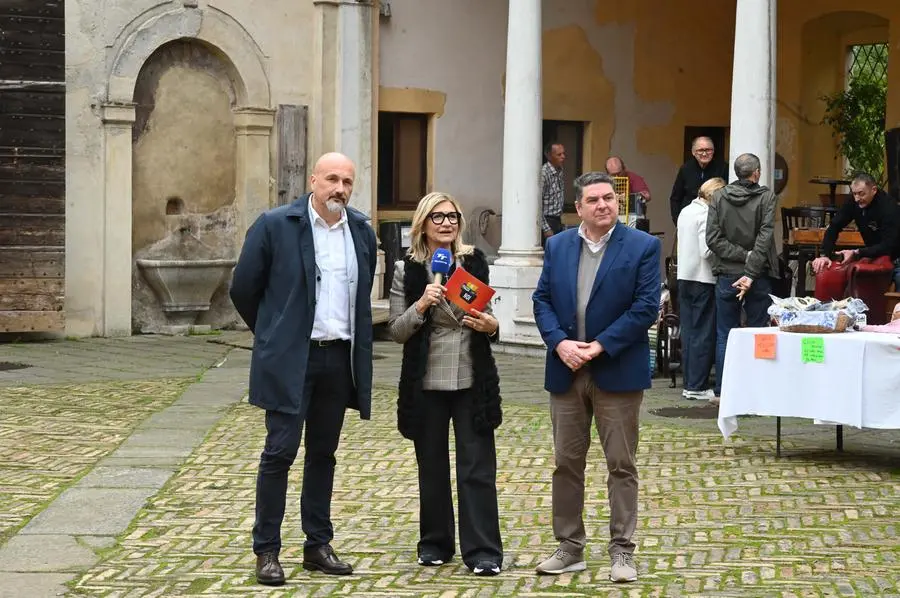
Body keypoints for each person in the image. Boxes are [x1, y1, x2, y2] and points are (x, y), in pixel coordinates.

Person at [230, 152, 378, 586]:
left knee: (323, 454)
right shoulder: (276, 225)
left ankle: (317, 544)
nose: (340, 189)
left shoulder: (361, 232)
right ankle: (267, 550)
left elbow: (362, 294)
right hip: (293, 358)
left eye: (347, 182)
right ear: (312, 180)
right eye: (332, 179)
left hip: (339, 358)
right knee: (279, 452)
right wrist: (274, 335)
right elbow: (244, 288)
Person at [532, 172, 661, 583]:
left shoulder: (643, 246)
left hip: (616, 370)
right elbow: (542, 300)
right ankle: (570, 547)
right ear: (579, 206)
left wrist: (600, 345)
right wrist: (559, 343)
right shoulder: (557, 245)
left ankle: (622, 552)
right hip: (567, 370)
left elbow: (645, 308)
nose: (604, 204)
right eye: (594, 199)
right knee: (566, 464)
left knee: (621, 464)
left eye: (609, 198)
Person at [389, 192, 504, 576]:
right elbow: (396, 330)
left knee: (477, 467)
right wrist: (421, 304)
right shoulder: (408, 269)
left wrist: (494, 327)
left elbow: (487, 315)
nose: (446, 223)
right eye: (437, 217)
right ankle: (435, 543)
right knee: (432, 466)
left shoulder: (473, 261)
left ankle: (483, 551)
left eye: (452, 216)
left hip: (471, 375)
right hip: (427, 379)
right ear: (423, 223)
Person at [705, 153, 779, 399]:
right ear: (756, 172)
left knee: (725, 334)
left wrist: (741, 257)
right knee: (759, 332)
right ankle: (755, 390)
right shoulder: (766, 196)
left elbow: (713, 239)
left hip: (726, 273)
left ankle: (725, 390)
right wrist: (750, 266)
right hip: (758, 275)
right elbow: (765, 237)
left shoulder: (717, 197)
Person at [676, 177, 726, 402]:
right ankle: (697, 385)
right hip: (702, 278)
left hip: (684, 277)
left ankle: (690, 383)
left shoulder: (686, 210)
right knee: (703, 333)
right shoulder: (706, 214)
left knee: (689, 332)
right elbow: (707, 250)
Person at [811, 172, 900, 291]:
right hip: (874, 254)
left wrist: (857, 252)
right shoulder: (854, 202)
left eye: (861, 194)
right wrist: (825, 255)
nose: (857, 198)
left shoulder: (889, 207)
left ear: (873, 190)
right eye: (854, 193)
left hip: (895, 254)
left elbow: (888, 245)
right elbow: (834, 226)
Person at [669, 136, 729, 224]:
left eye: (708, 150)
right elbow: (675, 198)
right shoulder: (686, 169)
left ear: (713, 151)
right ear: (693, 152)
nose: (704, 154)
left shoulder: (723, 168)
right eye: (700, 150)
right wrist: (678, 220)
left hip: (714, 221)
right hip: (688, 220)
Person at [541, 142, 567, 246]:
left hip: (557, 220)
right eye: (559, 155)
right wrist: (546, 228)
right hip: (547, 220)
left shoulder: (560, 170)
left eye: (563, 154)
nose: (563, 157)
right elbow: (536, 205)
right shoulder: (544, 174)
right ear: (549, 156)